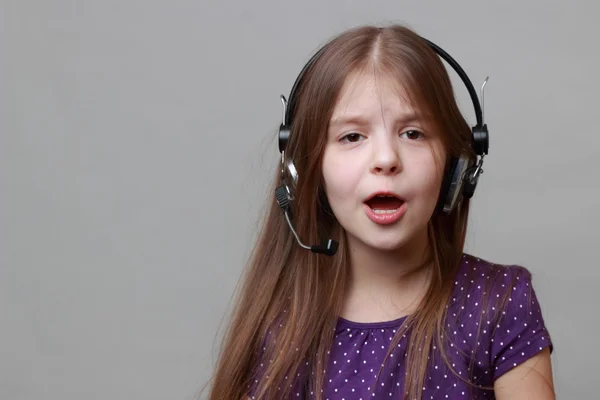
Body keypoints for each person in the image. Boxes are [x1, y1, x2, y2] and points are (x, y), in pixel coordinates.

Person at [207, 24, 554, 399]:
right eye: (352, 136)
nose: (386, 159)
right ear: (307, 169)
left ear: (456, 167)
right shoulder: (279, 327)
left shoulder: (500, 302)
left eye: (413, 133)